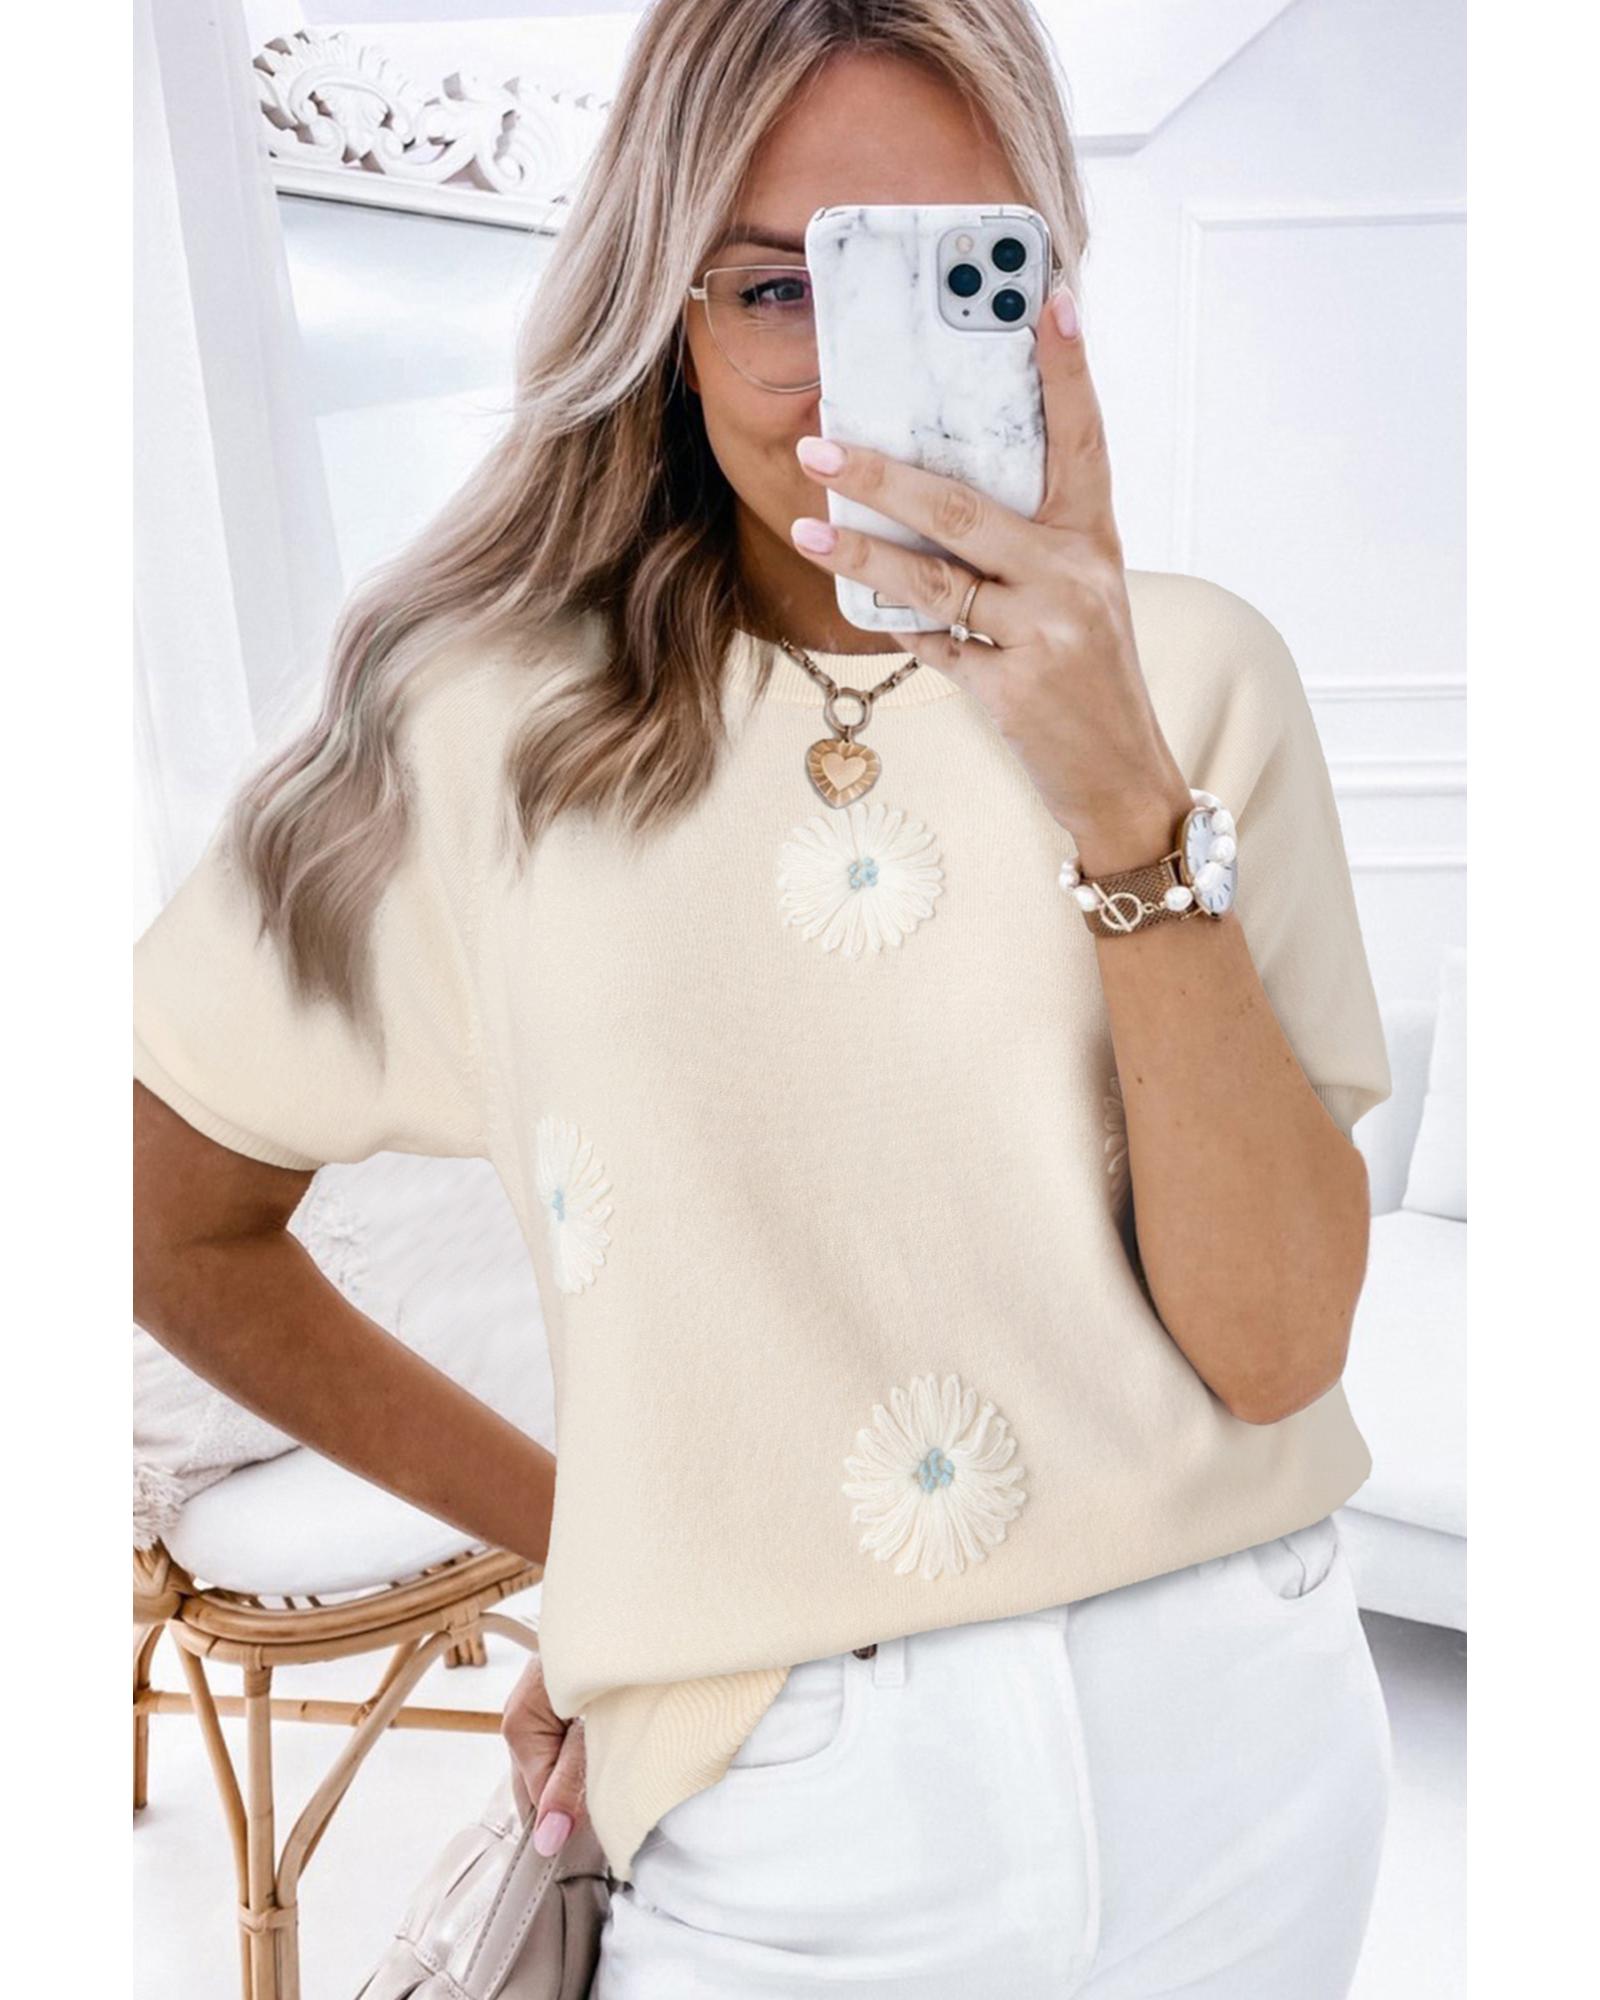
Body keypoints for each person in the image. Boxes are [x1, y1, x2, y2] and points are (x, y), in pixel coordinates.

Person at [132, 2, 1395, 1993]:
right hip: (788, 1803)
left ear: (1049, 286)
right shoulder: (485, 731)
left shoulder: (1202, 681)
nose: (845, 367)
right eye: (775, 284)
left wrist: (1115, 792)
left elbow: (1275, 1348)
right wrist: (602, 1545)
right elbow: (160, 1210)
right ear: (669, 314)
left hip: (1243, 1734)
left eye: (940, 269)